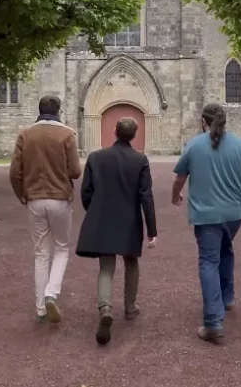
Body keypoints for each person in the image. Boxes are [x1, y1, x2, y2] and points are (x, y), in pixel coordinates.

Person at [171, 103, 241, 344]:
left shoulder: (193, 145)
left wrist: (175, 196)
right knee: (225, 250)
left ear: (203, 121)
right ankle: (226, 296)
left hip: (206, 215)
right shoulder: (240, 145)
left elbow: (180, 178)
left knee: (208, 260)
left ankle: (213, 322)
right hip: (234, 215)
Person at [76, 117, 157, 345]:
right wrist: (152, 229)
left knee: (106, 266)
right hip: (129, 218)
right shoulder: (140, 160)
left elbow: (86, 191)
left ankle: (105, 307)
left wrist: (94, 211)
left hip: (103, 217)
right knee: (131, 262)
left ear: (114, 131)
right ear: (134, 135)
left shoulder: (95, 157)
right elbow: (146, 196)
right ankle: (130, 307)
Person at [9, 95, 82, 323]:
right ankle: (52, 292)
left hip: (34, 199)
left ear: (39, 110)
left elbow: (14, 172)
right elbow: (75, 171)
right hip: (60, 198)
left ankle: (41, 306)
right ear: (58, 110)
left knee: (41, 252)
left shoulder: (25, 134)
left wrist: (21, 193)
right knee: (62, 248)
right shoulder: (66, 134)